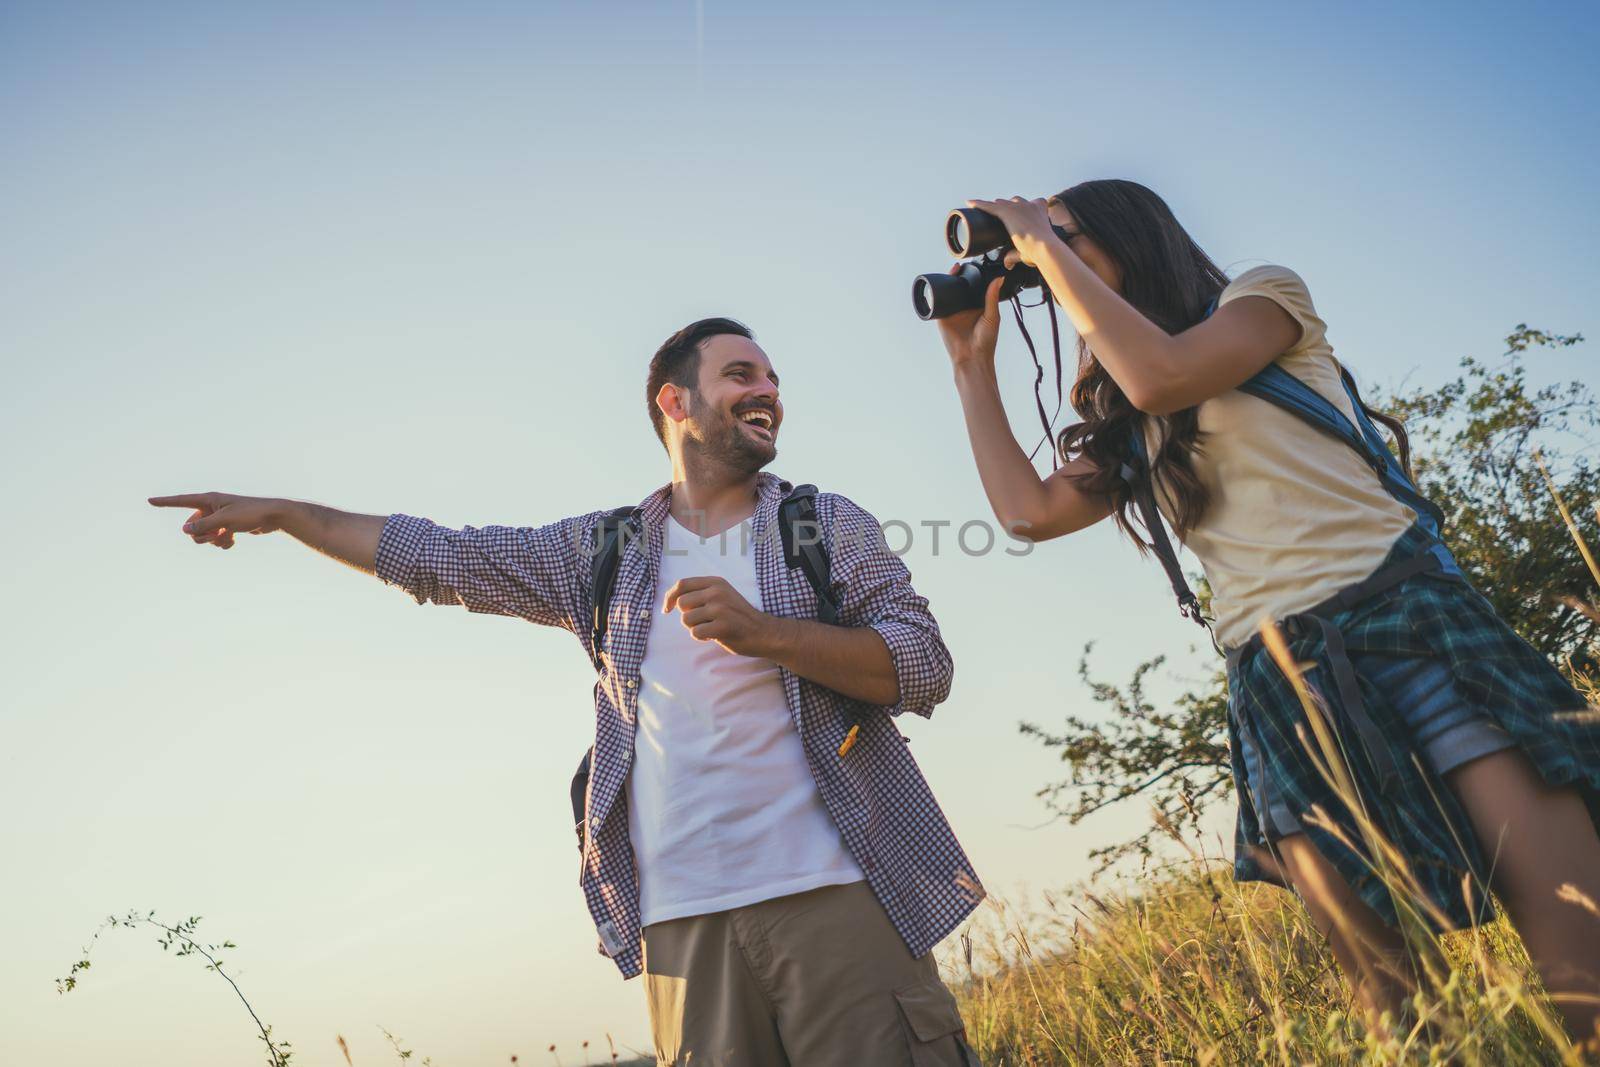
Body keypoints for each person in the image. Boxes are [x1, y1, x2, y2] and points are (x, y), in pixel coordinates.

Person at [150, 317, 984, 1066]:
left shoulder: (823, 524)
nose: (766, 390)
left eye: (772, 380)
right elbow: (441, 558)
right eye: (741, 374)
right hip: (681, 927)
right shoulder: (606, 551)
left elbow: (922, 664)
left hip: (836, 897)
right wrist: (292, 514)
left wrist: (765, 633)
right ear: (675, 400)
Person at [932, 179, 1600, 1042]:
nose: (1040, 262)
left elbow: (1166, 372)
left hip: (1410, 624)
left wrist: (1038, 242)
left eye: (1063, 239)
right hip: (1284, 679)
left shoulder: (1261, 300)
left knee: (1580, 964)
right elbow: (1028, 510)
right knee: (1407, 1018)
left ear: (1130, 238)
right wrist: (967, 363)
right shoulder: (1129, 417)